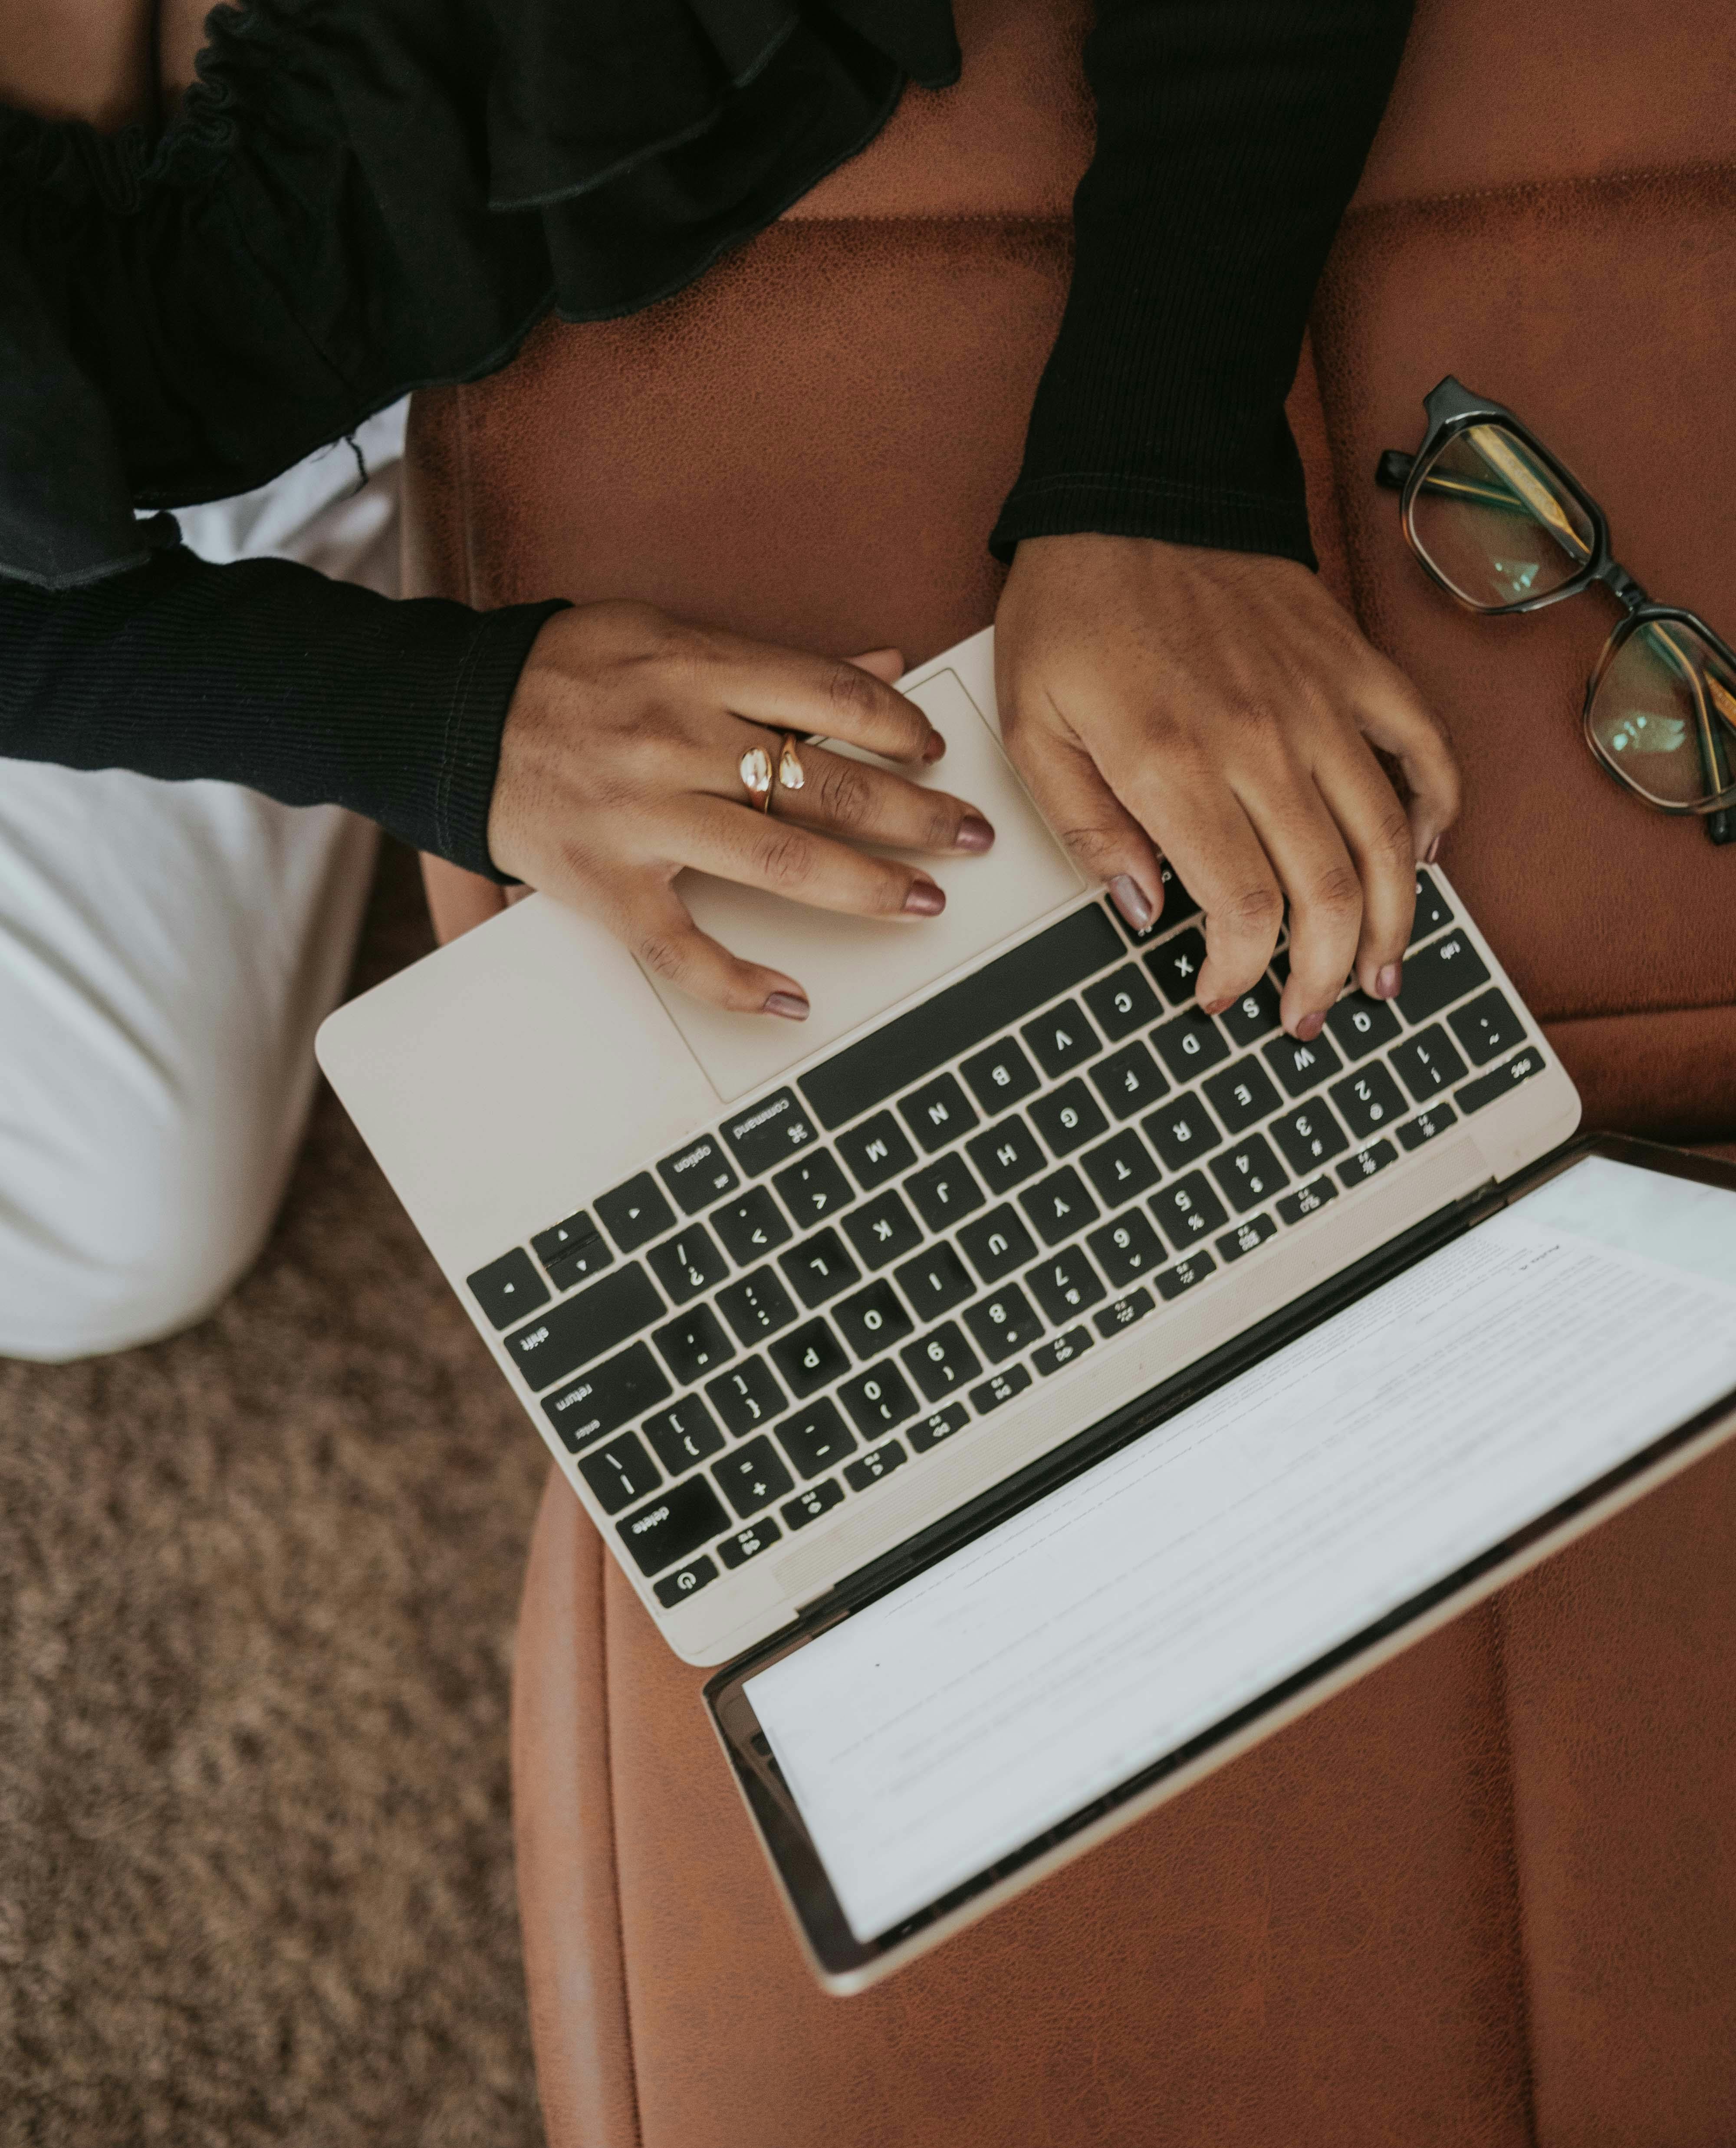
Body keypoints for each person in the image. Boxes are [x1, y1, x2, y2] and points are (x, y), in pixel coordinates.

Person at [0, 0, 1458, 1360]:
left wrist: (1160, 457)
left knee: (119, 1219)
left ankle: (302, 487)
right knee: (103, 1241)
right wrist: (428, 723)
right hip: (71, 514)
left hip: (314, 308)